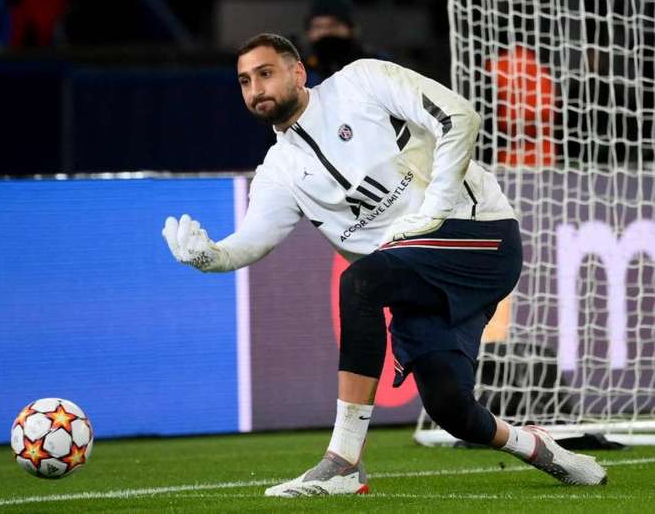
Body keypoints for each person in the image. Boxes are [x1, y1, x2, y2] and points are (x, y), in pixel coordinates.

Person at [161, 33, 607, 496]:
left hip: (476, 234)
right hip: (413, 272)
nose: (255, 89)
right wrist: (209, 257)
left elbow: (460, 116)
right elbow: (252, 241)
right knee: (452, 409)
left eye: (266, 73)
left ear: (297, 72)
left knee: (360, 283)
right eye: (244, 81)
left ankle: (343, 462)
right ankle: (543, 449)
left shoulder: (362, 82)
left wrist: (435, 207)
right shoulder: (278, 169)